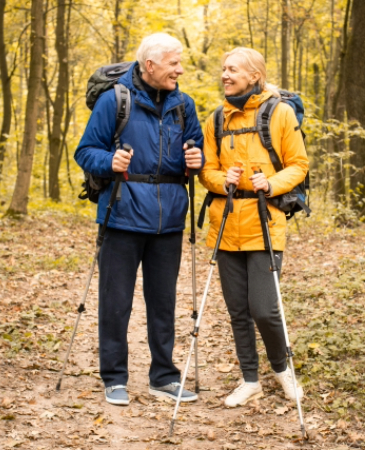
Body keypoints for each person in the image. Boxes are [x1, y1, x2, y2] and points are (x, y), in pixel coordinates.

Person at [74, 33, 204, 406]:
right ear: (150, 65)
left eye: (180, 62)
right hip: (122, 216)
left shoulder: (184, 105)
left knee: (163, 304)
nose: (180, 69)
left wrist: (197, 161)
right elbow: (85, 151)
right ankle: (114, 378)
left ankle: (163, 377)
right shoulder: (114, 100)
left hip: (169, 221)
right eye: (173, 63)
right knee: (116, 302)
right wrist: (109, 162)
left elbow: (196, 151)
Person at [198, 47, 309, 407]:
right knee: (238, 311)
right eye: (224, 69)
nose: (225, 75)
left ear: (254, 76)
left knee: (264, 308)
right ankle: (249, 380)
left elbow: (299, 164)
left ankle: (282, 370)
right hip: (226, 223)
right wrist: (219, 178)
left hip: (265, 221)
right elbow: (206, 170)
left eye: (233, 70)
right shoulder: (217, 118)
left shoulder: (280, 113)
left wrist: (271, 184)